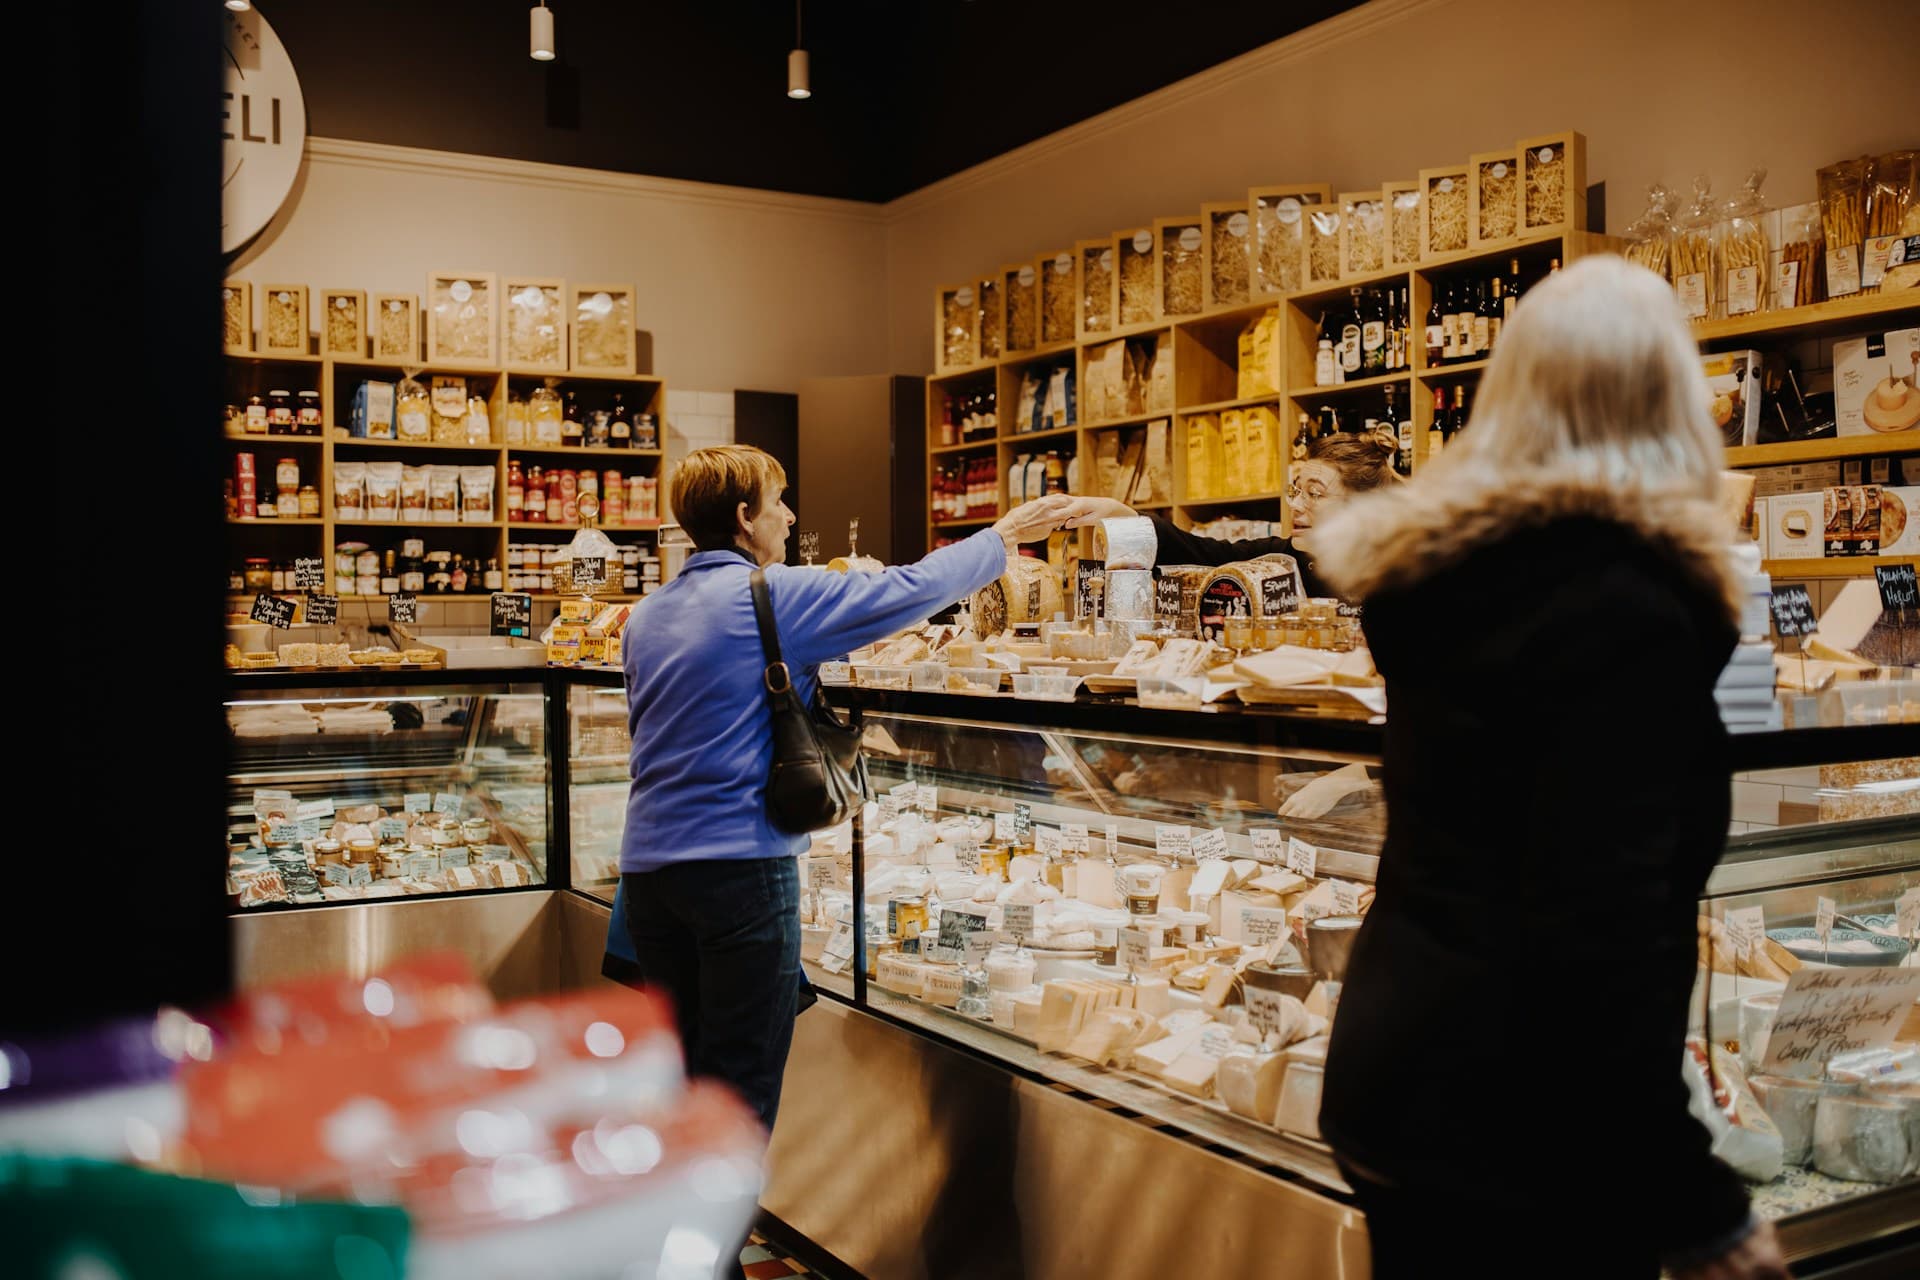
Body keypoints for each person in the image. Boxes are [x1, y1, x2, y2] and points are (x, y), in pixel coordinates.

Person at [1308, 257, 1789, 1279]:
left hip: (1397, 1085)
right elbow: (1597, 930)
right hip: (1526, 1126)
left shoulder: (1436, 582)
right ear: (1671, 399)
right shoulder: (1627, 607)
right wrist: (1698, 1201)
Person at [618, 444, 1068, 1136]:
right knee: (737, 1097)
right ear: (745, 517)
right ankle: (710, 1245)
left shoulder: (645, 617)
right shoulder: (775, 596)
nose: (791, 517)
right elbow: (906, 591)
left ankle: (673, 1238)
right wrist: (1001, 539)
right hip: (739, 873)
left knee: (684, 1085)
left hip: (648, 882)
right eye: (779, 502)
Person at [1053, 428, 1399, 596]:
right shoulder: (1280, 560)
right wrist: (1117, 513)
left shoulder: (1398, 575)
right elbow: (1203, 554)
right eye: (1296, 490)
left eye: (1315, 494)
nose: (1295, 505)